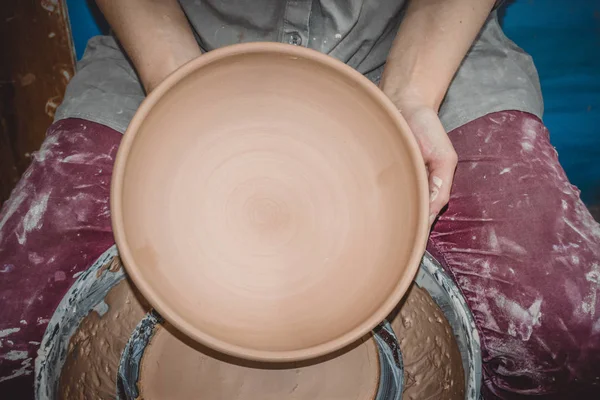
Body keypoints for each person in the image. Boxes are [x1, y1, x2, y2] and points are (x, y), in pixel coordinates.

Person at [0, 0, 599, 398]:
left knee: (566, 326)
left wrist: (412, 93)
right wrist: (178, 84)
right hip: (171, 44)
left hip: (418, 42)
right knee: (14, 324)